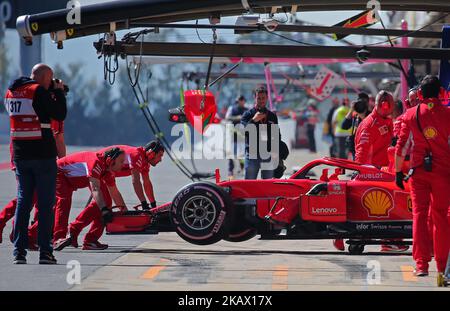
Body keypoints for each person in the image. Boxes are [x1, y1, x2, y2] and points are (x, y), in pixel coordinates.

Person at [4, 64, 67, 264]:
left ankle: (19, 252)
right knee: (46, 204)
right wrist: (58, 92)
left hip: (21, 154)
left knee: (23, 203)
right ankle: (45, 252)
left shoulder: (11, 92)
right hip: (42, 153)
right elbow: (59, 113)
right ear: (42, 77)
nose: (51, 82)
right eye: (50, 79)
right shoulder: (37, 91)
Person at [54, 141, 165, 251]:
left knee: (106, 203)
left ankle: (87, 238)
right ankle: (65, 235)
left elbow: (123, 190)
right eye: (160, 156)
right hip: (82, 171)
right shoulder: (136, 156)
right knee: (94, 203)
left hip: (101, 170)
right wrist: (144, 204)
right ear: (150, 153)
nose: (123, 166)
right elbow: (136, 182)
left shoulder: (114, 170)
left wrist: (126, 212)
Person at [395, 75, 450, 278]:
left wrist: (398, 173)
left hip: (418, 173)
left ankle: (421, 265)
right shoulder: (448, 114)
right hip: (443, 174)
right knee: (441, 217)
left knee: (419, 215)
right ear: (442, 94)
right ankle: (443, 267)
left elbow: (400, 148)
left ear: (419, 94)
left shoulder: (410, 115)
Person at [0, 120, 66, 247]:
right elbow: (59, 139)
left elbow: (59, 139)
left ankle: (23, 234)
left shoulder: (52, 110)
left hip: (30, 154)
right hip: (27, 155)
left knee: (31, 197)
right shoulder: (47, 106)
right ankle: (22, 234)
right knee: (31, 196)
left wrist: (62, 164)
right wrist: (63, 165)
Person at [51, 148, 126, 250]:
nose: (123, 165)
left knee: (106, 202)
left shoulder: (107, 170)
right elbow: (95, 189)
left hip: (76, 179)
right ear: (110, 161)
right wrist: (104, 210)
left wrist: (124, 213)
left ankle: (90, 240)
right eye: (121, 161)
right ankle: (58, 238)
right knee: (64, 202)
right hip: (60, 174)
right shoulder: (95, 163)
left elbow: (115, 193)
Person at [241, 86, 280, 179]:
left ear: (267, 98)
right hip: (252, 154)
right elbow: (242, 132)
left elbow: (277, 135)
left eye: (263, 98)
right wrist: (253, 120)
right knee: (249, 185)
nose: (261, 100)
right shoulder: (248, 115)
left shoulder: (272, 116)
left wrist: (276, 153)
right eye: (259, 98)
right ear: (255, 98)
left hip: (268, 154)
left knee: (268, 186)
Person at [354, 91, 394, 167]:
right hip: (372, 172)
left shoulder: (387, 120)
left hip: (385, 171)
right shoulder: (370, 125)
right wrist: (359, 171)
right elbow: (362, 152)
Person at [225, 95, 248, 178]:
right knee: (231, 154)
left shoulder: (246, 110)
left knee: (242, 154)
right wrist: (237, 118)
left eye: (243, 100)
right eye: (240, 100)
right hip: (233, 135)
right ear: (237, 101)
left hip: (242, 136)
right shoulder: (232, 108)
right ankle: (230, 171)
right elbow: (227, 117)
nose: (241, 101)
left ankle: (242, 168)